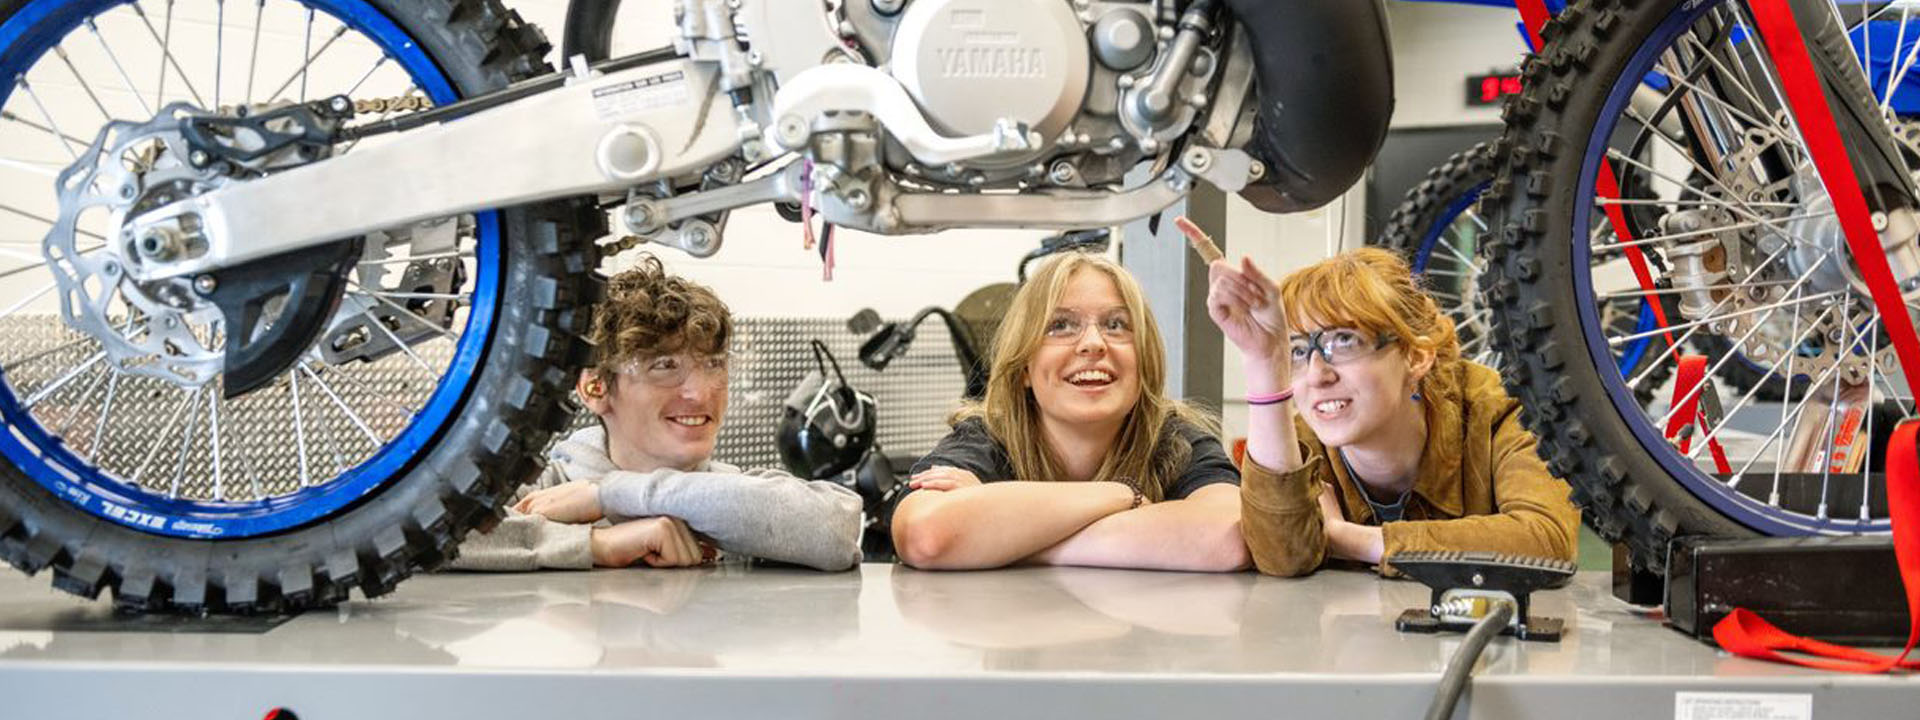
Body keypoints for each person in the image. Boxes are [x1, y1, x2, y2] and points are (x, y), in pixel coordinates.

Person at [448, 255, 863, 572]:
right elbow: (426, 534)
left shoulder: (733, 494)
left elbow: (836, 529)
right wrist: (595, 545)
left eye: (714, 363)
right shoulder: (545, 489)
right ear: (596, 388)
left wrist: (613, 494)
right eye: (664, 366)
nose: (701, 392)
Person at [1206, 247, 1578, 577]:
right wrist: (1262, 362)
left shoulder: (1502, 410)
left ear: (1416, 355)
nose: (1318, 375)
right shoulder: (1299, 444)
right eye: (1298, 351)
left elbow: (1546, 539)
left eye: (1345, 341)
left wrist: (1350, 539)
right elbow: (1279, 557)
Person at [889, 252, 1247, 571]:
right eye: (1060, 325)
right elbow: (925, 537)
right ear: (1025, 366)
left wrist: (1009, 539)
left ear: (1145, 360)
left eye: (1116, 324)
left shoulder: (1175, 440)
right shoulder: (987, 439)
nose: (1093, 343)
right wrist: (1124, 496)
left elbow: (1231, 538)